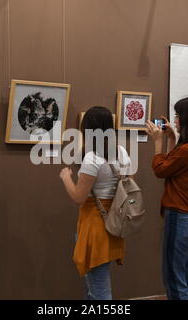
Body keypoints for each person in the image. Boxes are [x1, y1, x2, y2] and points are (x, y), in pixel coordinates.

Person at [59, 106, 131, 300]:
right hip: (114, 222)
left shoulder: (92, 158)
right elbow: (126, 184)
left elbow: (78, 198)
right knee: (94, 286)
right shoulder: (122, 152)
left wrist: (66, 177)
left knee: (100, 291)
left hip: (95, 224)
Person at [145, 96, 188, 300]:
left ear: (187, 118)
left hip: (180, 218)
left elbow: (160, 169)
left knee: (174, 279)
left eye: (177, 115)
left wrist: (157, 142)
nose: (175, 120)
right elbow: (173, 165)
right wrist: (172, 139)